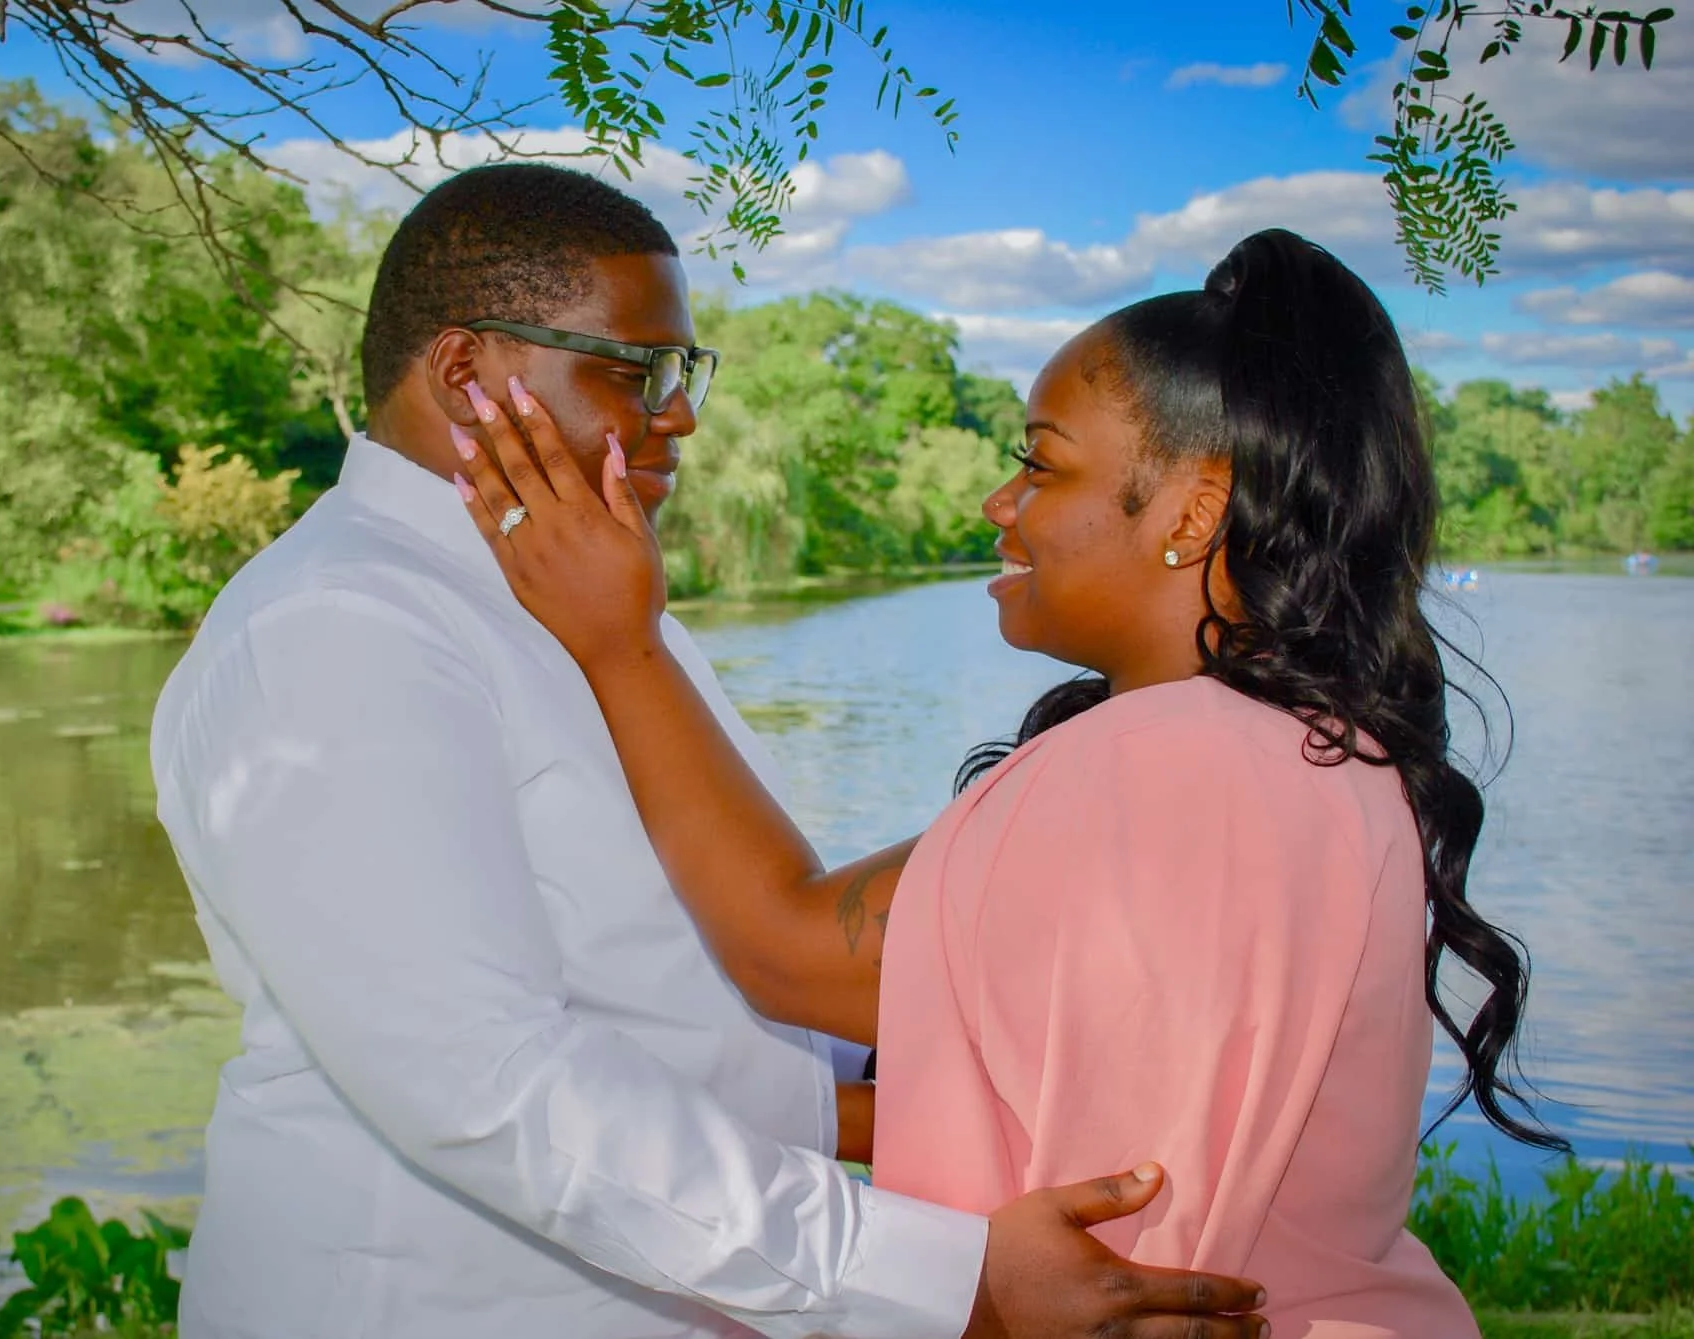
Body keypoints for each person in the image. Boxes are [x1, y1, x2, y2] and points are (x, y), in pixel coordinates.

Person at [149, 163, 1267, 1339]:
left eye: (682, 372)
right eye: (636, 371)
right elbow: (481, 1082)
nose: (678, 413)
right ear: (467, 374)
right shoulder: (338, 630)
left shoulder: (590, 605)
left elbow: (667, 998)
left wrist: (919, 1101)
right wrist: (949, 1283)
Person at [451, 226, 1571, 1337]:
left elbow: (782, 945)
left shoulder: (1161, 765)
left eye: (1040, 463)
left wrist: (620, 640)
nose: (998, 502)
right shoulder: (1312, 743)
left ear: (1190, 510)